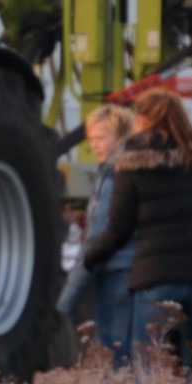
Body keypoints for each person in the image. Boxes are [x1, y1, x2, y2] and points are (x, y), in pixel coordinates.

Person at [82, 90, 192, 377]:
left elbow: (119, 229)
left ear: (142, 120)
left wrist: (91, 258)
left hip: (155, 278)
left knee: (148, 370)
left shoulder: (133, 162)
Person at [57, 105, 137, 368]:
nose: (94, 145)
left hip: (116, 271)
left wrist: (70, 294)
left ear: (119, 136)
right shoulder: (131, 165)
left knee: (113, 349)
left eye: (101, 138)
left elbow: (99, 232)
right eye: (91, 139)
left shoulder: (114, 173)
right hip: (132, 268)